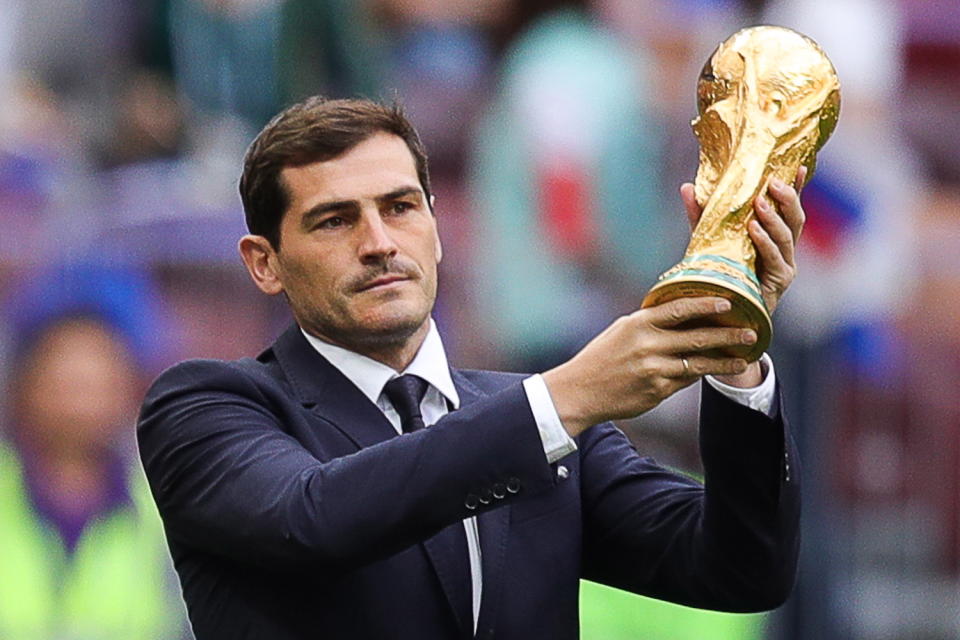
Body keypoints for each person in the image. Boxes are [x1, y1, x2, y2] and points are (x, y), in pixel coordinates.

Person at [138, 96, 805, 639]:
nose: (378, 243)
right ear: (264, 262)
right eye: (335, 221)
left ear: (435, 224)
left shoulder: (541, 417)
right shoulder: (206, 405)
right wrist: (562, 398)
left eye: (399, 207)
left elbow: (741, 570)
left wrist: (735, 355)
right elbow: (312, 518)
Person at [0, 264, 189, 639]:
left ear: (131, 386)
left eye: (97, 372)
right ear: (24, 384)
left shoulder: (172, 512)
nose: (78, 395)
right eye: (61, 369)